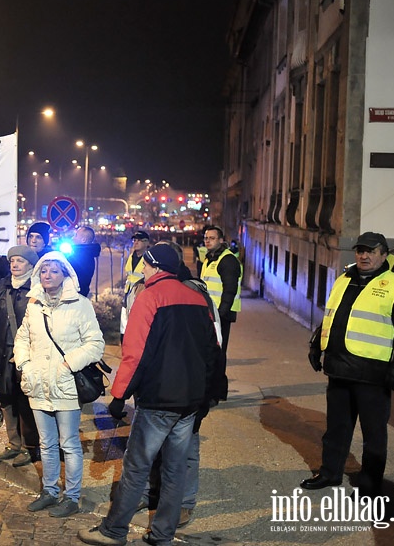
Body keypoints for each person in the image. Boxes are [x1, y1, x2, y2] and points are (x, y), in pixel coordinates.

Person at [79, 243, 220, 546]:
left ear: (155, 267)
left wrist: (119, 396)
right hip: (191, 400)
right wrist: (208, 397)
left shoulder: (150, 297)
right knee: (174, 469)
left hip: (158, 398)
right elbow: (212, 353)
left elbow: (135, 353)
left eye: (145, 265)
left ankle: (114, 531)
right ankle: (162, 535)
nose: (142, 269)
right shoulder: (197, 299)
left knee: (137, 467)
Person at [302, 232, 394, 497]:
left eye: (370, 251)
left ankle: (370, 484)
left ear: (383, 254)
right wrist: (316, 345)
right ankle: (330, 473)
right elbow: (331, 317)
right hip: (339, 368)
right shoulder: (343, 279)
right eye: (360, 251)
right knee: (336, 427)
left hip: (373, 374)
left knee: (374, 434)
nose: (364, 256)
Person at [13, 251, 105, 518]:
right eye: (43, 271)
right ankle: (49, 491)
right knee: (46, 443)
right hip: (38, 383)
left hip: (65, 385)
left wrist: (67, 366)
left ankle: (72, 497)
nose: (48, 275)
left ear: (65, 274)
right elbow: (22, 338)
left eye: (53, 270)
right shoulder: (34, 305)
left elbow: (95, 344)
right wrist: (24, 365)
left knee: (70, 444)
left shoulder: (80, 304)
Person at [0, 245, 40, 468]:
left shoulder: (36, 289)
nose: (15, 265)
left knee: (25, 400)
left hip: (24, 352)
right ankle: (13, 444)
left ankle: (30, 447)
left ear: (30, 265)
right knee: (4, 396)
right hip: (1, 347)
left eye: (20, 261)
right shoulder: (4, 285)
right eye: (12, 261)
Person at [200, 224, 241, 401]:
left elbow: (229, 290)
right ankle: (215, 392)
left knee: (216, 354)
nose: (207, 241)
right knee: (210, 353)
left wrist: (220, 315)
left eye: (212, 238)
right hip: (210, 314)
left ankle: (215, 393)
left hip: (219, 316)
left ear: (221, 240)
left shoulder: (228, 260)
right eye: (206, 238)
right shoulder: (210, 259)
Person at [121, 230, 151, 339]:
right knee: (125, 323)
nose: (136, 242)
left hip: (141, 295)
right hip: (128, 294)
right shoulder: (131, 256)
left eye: (139, 240)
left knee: (139, 325)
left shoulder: (149, 259)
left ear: (147, 243)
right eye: (134, 240)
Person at [67, 225, 101, 298]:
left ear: (83, 240)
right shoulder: (86, 254)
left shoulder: (81, 256)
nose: (73, 238)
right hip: (78, 295)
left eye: (76, 235)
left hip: (74, 296)